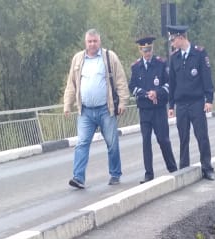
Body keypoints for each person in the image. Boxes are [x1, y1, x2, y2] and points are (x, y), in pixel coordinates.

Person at [63, 29, 129, 189]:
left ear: (99, 42)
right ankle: (78, 177)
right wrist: (67, 105)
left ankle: (115, 174)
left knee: (112, 143)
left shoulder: (109, 57)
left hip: (106, 109)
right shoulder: (78, 59)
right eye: (89, 41)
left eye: (95, 41)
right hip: (85, 111)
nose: (92, 44)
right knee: (82, 143)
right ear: (85, 43)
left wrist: (122, 102)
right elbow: (71, 84)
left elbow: (120, 80)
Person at [166, 25, 215, 180]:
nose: (172, 43)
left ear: (181, 37)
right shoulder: (174, 58)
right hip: (181, 104)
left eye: (173, 40)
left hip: (196, 102)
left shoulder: (199, 53)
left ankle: (207, 167)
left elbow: (206, 77)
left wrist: (209, 99)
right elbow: (172, 82)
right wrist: (171, 105)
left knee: (202, 136)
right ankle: (184, 168)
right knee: (183, 137)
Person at [129, 35, 177, 183]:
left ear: (152, 49)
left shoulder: (161, 64)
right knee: (145, 141)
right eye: (144, 50)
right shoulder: (136, 67)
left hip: (158, 109)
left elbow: (169, 84)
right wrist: (145, 94)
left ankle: (173, 168)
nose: (147, 53)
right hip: (144, 109)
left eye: (149, 49)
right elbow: (132, 87)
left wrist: (157, 92)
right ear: (140, 50)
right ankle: (148, 173)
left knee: (163, 140)